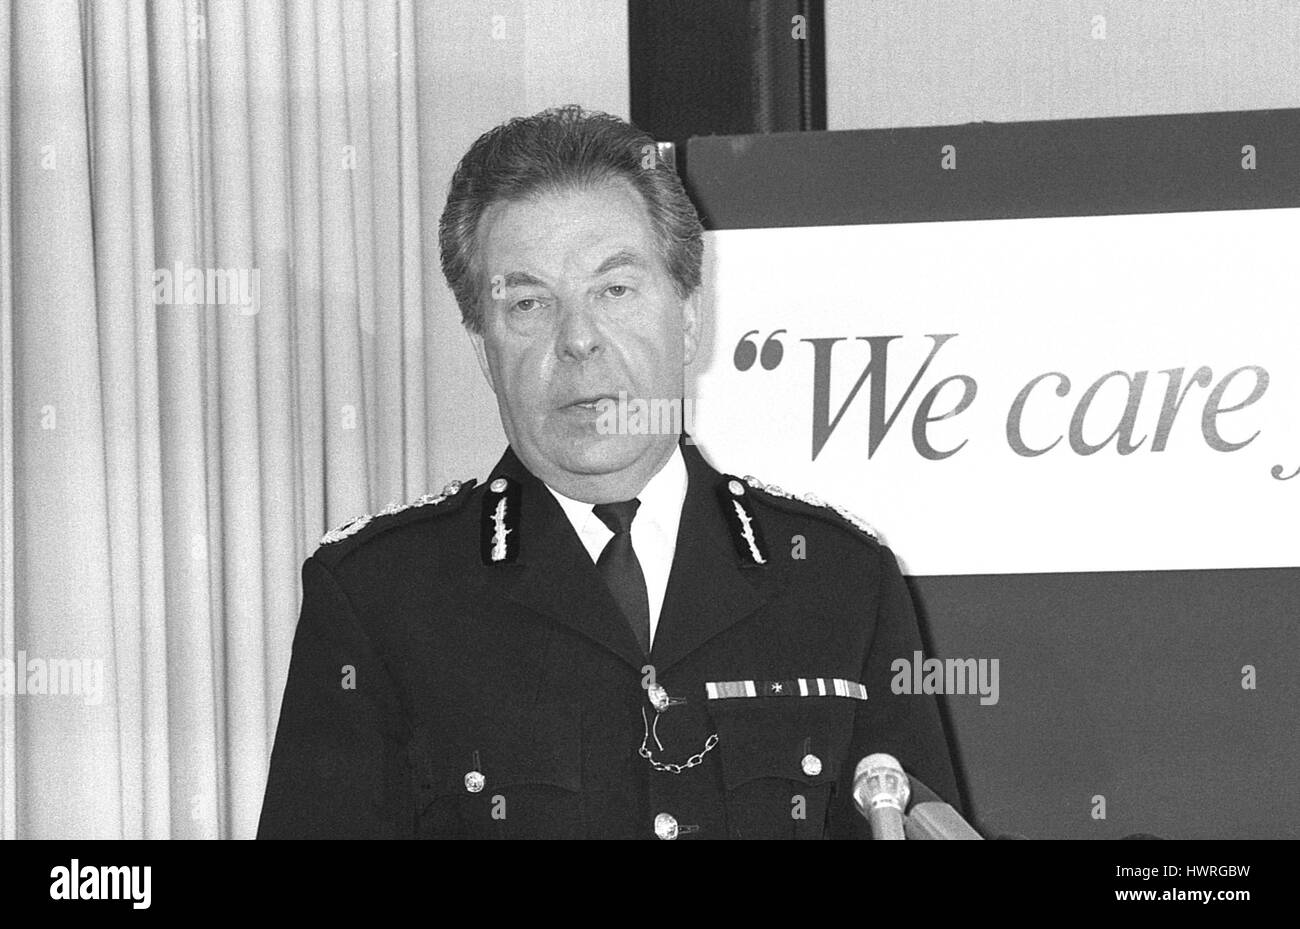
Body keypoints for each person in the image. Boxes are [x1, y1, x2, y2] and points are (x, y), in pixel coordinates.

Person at [257, 105, 961, 839]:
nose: (578, 340)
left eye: (614, 290)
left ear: (689, 313)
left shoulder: (836, 580)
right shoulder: (381, 597)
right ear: (480, 343)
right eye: (528, 302)